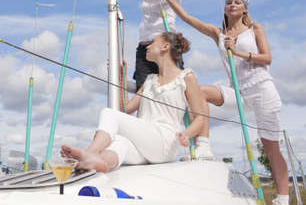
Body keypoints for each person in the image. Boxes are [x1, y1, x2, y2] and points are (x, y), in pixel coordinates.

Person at [154, 0, 289, 205]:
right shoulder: (218, 33)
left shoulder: (255, 29)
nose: (232, 5)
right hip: (238, 91)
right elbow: (187, 18)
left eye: (238, 2)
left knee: (270, 146)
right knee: (197, 92)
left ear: (245, 8)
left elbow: (267, 59)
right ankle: (203, 146)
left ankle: (283, 199)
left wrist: (237, 52)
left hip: (262, 88)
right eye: (229, 2)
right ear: (225, 8)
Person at [61, 32, 210, 172]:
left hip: (166, 141)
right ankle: (98, 162)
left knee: (108, 113)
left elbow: (200, 117)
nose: (148, 46)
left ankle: (89, 153)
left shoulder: (186, 77)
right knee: (119, 142)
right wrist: (121, 78)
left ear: (165, 47)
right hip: (147, 143)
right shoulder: (150, 80)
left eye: (152, 42)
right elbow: (126, 108)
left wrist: (186, 134)